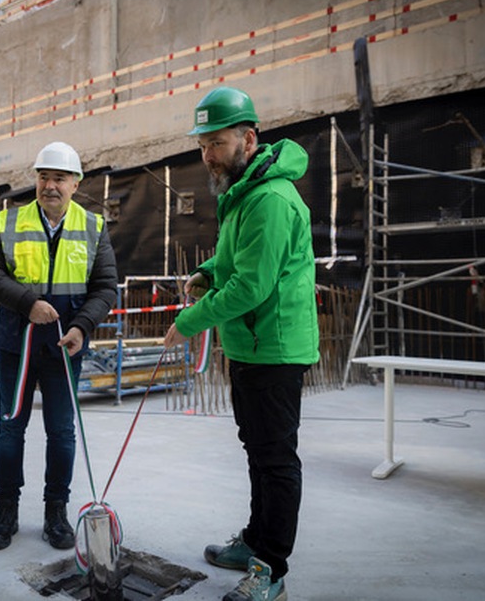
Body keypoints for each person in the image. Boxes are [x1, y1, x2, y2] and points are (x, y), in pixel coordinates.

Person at [164, 86, 319, 601]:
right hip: (250, 345)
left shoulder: (270, 200)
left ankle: (270, 568)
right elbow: (237, 263)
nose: (207, 154)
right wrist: (208, 271)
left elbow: (253, 285)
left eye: (216, 142)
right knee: (256, 448)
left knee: (276, 459)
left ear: (248, 138)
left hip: (274, 348)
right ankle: (253, 540)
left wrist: (189, 322)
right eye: (202, 144)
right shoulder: (243, 191)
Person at [0, 141, 118, 551]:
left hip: (63, 346)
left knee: (61, 431)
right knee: (10, 428)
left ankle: (56, 513)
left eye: (59, 178)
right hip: (15, 345)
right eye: (43, 177)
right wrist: (28, 303)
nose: (50, 186)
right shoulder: (10, 221)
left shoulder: (93, 227)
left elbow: (105, 288)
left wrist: (82, 326)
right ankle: (5, 513)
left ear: (75, 183)